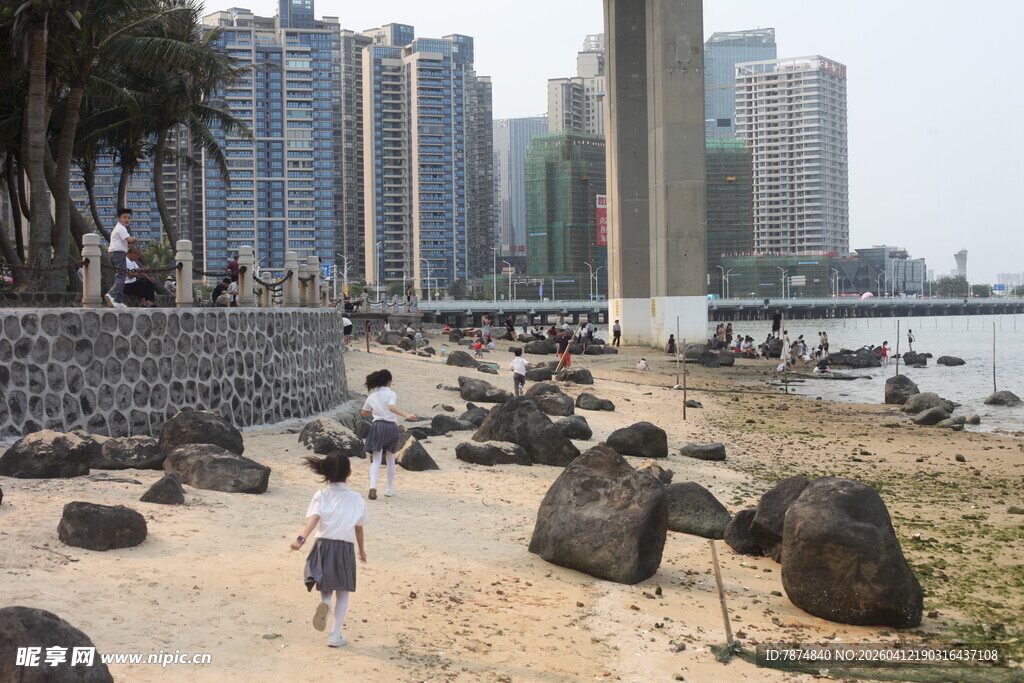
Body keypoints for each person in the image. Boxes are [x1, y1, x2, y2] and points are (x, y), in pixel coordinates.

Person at [290, 452, 368, 648]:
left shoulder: (321, 494)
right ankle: (335, 635)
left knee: (325, 584)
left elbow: (314, 519)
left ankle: (325, 601)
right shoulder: (356, 498)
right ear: (349, 473)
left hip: (322, 545)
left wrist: (300, 540)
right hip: (344, 546)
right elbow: (359, 528)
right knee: (343, 592)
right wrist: (362, 551)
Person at [360, 369, 416, 500]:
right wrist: (406, 415)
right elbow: (391, 407)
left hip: (377, 426)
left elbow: (364, 412)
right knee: (391, 459)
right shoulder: (391, 393)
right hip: (391, 427)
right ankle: (389, 489)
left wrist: (376, 413)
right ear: (389, 381)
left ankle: (373, 486)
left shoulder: (372, 396)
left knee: (377, 459)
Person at [105, 208, 138, 308]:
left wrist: (128, 246)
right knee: (121, 275)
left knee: (120, 275)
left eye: (129, 218)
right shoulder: (121, 228)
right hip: (118, 253)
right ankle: (111, 294)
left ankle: (118, 300)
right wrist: (135, 239)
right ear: (119, 218)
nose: (127, 220)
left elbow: (122, 242)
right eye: (124, 217)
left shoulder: (119, 228)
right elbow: (129, 239)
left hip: (116, 253)